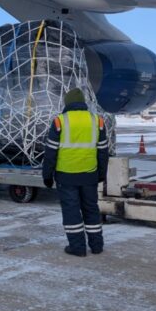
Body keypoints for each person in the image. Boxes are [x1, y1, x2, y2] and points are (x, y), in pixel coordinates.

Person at [42, 88, 109, 257]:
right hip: (89, 174)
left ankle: (77, 247)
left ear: (67, 103)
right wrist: (102, 173)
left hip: (66, 175)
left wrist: (47, 175)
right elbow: (103, 151)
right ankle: (96, 246)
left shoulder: (60, 121)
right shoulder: (97, 121)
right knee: (91, 210)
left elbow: (51, 151)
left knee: (71, 211)